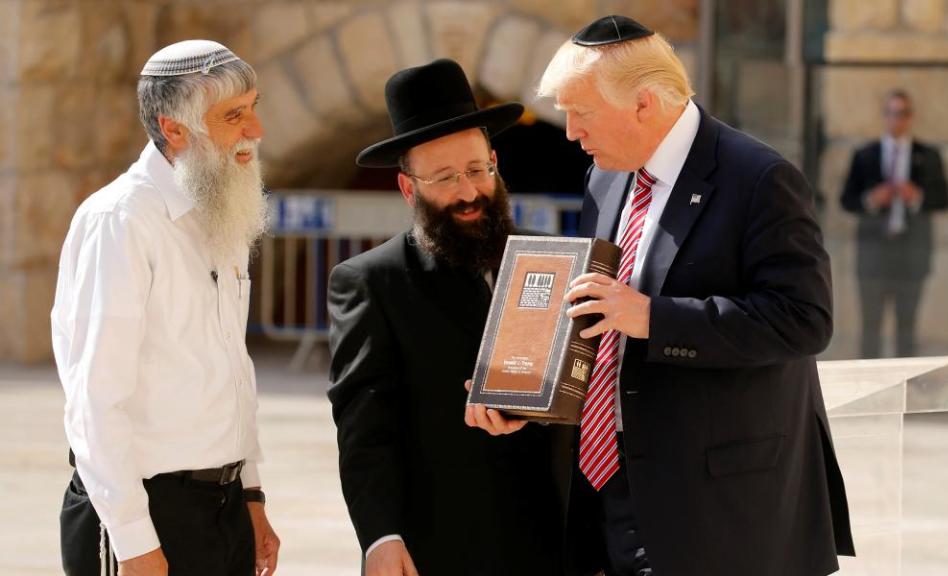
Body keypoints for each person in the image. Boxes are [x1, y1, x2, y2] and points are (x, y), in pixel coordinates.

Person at [469, 15, 855, 576]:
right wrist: (526, 389)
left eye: (582, 112)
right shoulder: (604, 176)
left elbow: (804, 320)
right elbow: (600, 314)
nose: (570, 131)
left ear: (644, 104)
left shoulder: (761, 179)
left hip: (722, 509)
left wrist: (655, 317)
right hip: (614, 489)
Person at [52, 40, 279, 576]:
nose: (256, 130)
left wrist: (250, 495)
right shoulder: (121, 221)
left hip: (220, 510)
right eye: (234, 115)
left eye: (253, 107)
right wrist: (133, 542)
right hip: (147, 514)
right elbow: (96, 399)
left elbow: (230, 371)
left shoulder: (216, 209)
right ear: (174, 128)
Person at [327, 58, 561, 576]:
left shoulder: (552, 261)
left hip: (559, 540)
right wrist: (380, 537)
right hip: (445, 542)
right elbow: (365, 428)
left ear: (496, 162)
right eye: (445, 177)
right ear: (409, 189)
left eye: (478, 170)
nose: (468, 191)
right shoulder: (371, 281)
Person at [841, 89, 948, 358]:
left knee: (906, 327)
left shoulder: (928, 155)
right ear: (884, 116)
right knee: (870, 326)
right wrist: (871, 199)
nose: (896, 120)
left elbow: (944, 198)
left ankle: (907, 389)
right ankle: (867, 385)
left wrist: (916, 197)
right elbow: (847, 199)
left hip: (911, 253)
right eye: (891, 113)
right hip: (873, 253)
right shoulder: (865, 154)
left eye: (902, 113)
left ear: (910, 117)